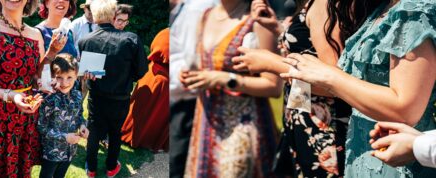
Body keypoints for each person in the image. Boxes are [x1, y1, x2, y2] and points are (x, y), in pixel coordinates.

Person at [279, 0, 436, 176]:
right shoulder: (379, 8)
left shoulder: (412, 10)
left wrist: (329, 77)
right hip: (365, 152)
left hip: (397, 159)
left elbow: (406, 109)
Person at [230, 0, 360, 176]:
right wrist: (278, 29)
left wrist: (271, 63)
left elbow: (333, 82)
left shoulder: (323, 4)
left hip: (325, 130)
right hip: (304, 118)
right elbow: (309, 48)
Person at [178, 0, 282, 177]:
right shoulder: (206, 16)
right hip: (206, 121)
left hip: (242, 127)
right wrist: (191, 74)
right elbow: (205, 64)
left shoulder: (257, 18)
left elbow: (273, 86)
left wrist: (226, 79)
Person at [0, 0, 67, 176]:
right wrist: (10, 95)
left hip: (23, 121)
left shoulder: (36, 34)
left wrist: (51, 55)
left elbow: (35, 77)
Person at [77, 0, 148, 177]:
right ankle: (110, 167)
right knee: (115, 132)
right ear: (112, 16)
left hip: (97, 96)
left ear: (95, 16)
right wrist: (125, 77)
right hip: (119, 97)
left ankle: (91, 168)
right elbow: (141, 71)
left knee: (94, 131)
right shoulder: (131, 39)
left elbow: (89, 71)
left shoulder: (86, 40)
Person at [167, 0, 216, 177]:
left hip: (189, 100)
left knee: (181, 162)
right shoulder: (186, 8)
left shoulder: (199, 8)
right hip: (182, 95)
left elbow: (191, 59)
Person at [36, 54, 89, 178]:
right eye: (59, 77)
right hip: (51, 153)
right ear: (53, 77)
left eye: (69, 77)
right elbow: (41, 128)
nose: (65, 83)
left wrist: (82, 125)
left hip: (70, 151)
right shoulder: (49, 99)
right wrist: (64, 137)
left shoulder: (77, 95)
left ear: (76, 76)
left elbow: (79, 115)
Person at [120, 27, 169, 151]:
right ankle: (139, 137)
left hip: (153, 73)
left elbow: (156, 48)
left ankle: (131, 134)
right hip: (164, 78)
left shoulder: (167, 32)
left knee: (143, 109)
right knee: (151, 111)